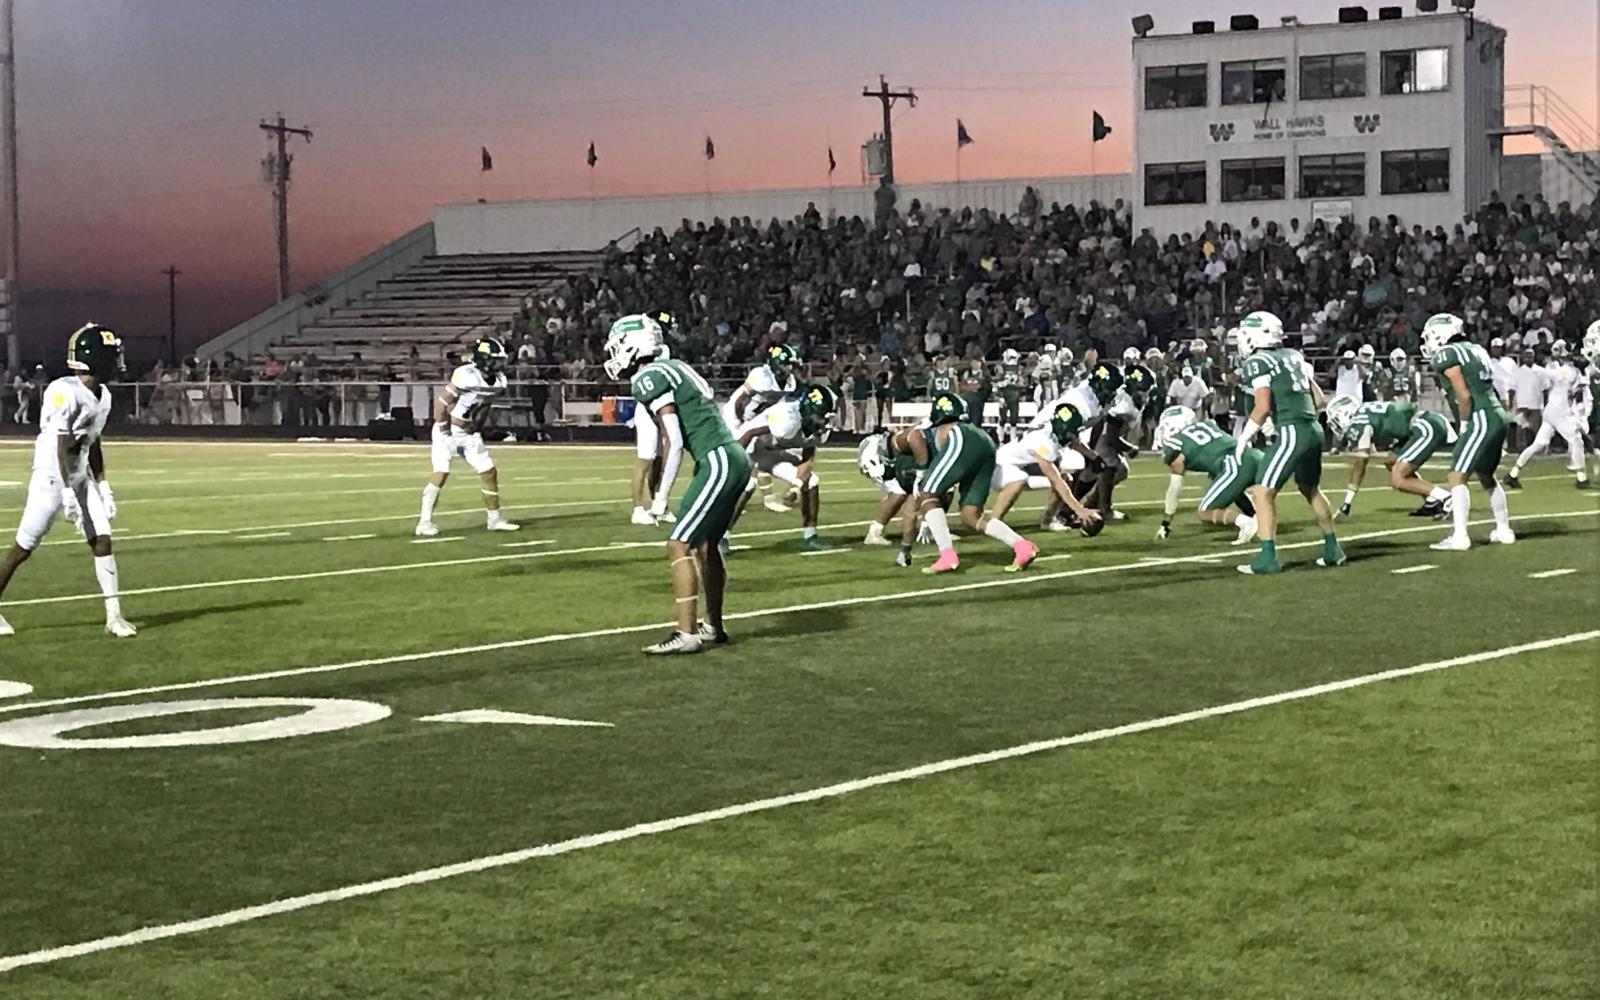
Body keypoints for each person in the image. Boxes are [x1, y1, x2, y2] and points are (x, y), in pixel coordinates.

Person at [607, 314, 751, 655]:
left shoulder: (648, 377)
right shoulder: (675, 366)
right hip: (731, 457)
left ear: (632, 345)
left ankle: (686, 633)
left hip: (716, 459)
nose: (614, 354)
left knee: (678, 544)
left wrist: (660, 497)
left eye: (617, 346)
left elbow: (672, 439)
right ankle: (713, 625)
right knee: (706, 545)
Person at [0, 324, 136, 638]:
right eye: (112, 355)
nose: (117, 361)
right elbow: (61, 445)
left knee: (102, 539)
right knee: (22, 548)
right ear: (97, 358)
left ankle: (114, 617)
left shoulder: (104, 395)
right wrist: (66, 492)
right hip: (51, 479)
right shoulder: (63, 392)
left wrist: (103, 484)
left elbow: (93, 441)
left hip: (80, 476)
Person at [1234, 310, 1344, 575]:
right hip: (1313, 429)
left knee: (1262, 492)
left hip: (1293, 430)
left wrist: (1243, 438)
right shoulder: (1293, 356)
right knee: (1310, 489)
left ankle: (1267, 558)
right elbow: (1319, 399)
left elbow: (1261, 408)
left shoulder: (1259, 361)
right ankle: (1332, 549)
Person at [887, 393, 1037, 575]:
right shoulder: (960, 427)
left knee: (926, 492)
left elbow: (914, 437)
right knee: (971, 515)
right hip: (985, 442)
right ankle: (1021, 546)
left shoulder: (922, 432)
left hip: (961, 439)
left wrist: (920, 472)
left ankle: (947, 555)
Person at [1421, 313, 1516, 551]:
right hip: (1495, 413)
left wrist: (1464, 425)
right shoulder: (1475, 349)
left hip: (1480, 415)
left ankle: (1460, 536)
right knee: (1486, 475)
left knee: (1456, 475)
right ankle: (1504, 530)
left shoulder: (1447, 354)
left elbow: (1463, 396)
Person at [415, 337, 521, 537]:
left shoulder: (498, 381)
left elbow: (484, 407)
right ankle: (424, 522)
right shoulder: (466, 375)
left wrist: (477, 428)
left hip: (469, 433)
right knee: (441, 473)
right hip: (449, 430)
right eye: (495, 359)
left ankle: (494, 519)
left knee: (489, 471)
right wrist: (444, 432)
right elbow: (441, 404)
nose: (499, 364)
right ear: (484, 359)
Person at [730, 383, 837, 551]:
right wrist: (734, 460)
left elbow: (807, 457)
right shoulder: (787, 418)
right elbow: (749, 433)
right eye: (820, 415)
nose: (824, 420)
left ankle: (810, 536)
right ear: (808, 411)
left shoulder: (816, 428)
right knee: (747, 485)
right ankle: (721, 537)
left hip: (770, 452)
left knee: (812, 481)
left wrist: (796, 487)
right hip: (749, 444)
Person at [1324, 394, 1456, 520]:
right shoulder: (1364, 411)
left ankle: (1446, 498)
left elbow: (1361, 463)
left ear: (1344, 414)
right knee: (1391, 461)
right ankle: (1431, 500)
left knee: (1397, 479)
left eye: (1335, 420)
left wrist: (1348, 501)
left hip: (1424, 427)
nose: (1335, 425)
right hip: (1421, 424)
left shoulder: (1358, 424)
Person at [1151, 405, 1259, 545]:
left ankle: (1245, 523)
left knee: (1205, 511)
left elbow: (1175, 488)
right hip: (1253, 456)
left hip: (1234, 464)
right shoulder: (1208, 425)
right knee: (1218, 477)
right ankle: (1255, 517)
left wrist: (1166, 523)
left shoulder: (1175, 443)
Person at [1505, 339, 1590, 490]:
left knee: (1539, 444)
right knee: (1576, 440)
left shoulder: (1562, 369)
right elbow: (1567, 379)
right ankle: (1582, 479)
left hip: (1552, 410)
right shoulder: (1564, 370)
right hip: (1559, 410)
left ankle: (1513, 474)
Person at [857, 432, 922, 546]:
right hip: (877, 453)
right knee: (899, 491)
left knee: (909, 489)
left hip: (888, 451)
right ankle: (875, 532)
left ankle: (930, 528)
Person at [994, 348, 1029, 443]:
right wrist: (999, 395)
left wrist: (1019, 385)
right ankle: (1000, 440)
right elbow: (997, 382)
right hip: (1004, 395)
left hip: (1015, 396)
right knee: (1002, 418)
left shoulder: (1019, 368)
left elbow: (1024, 384)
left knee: (1014, 419)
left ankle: (1013, 439)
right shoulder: (1001, 367)